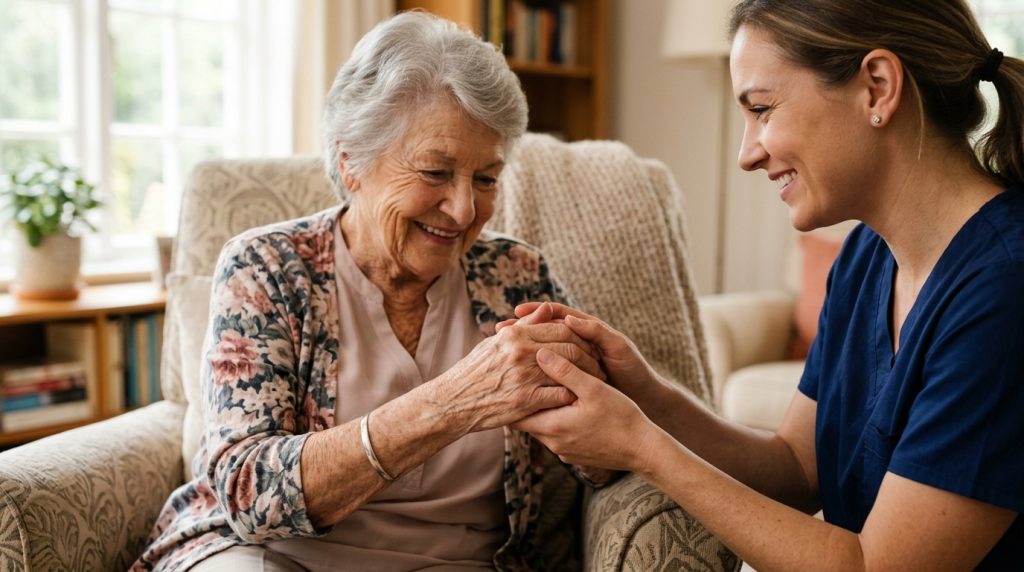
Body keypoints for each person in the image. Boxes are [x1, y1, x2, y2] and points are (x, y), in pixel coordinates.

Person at [509, 1, 1024, 569]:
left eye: (762, 109)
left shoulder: (1005, 290)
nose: (747, 154)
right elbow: (797, 468)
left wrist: (640, 445)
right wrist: (647, 396)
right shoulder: (866, 257)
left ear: (877, 88)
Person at [131, 11, 609, 572]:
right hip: (276, 557)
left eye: (485, 179)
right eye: (435, 172)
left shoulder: (515, 274)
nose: (462, 209)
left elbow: (600, 460)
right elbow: (248, 494)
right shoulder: (268, 269)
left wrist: (597, 406)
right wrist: (453, 403)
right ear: (350, 162)